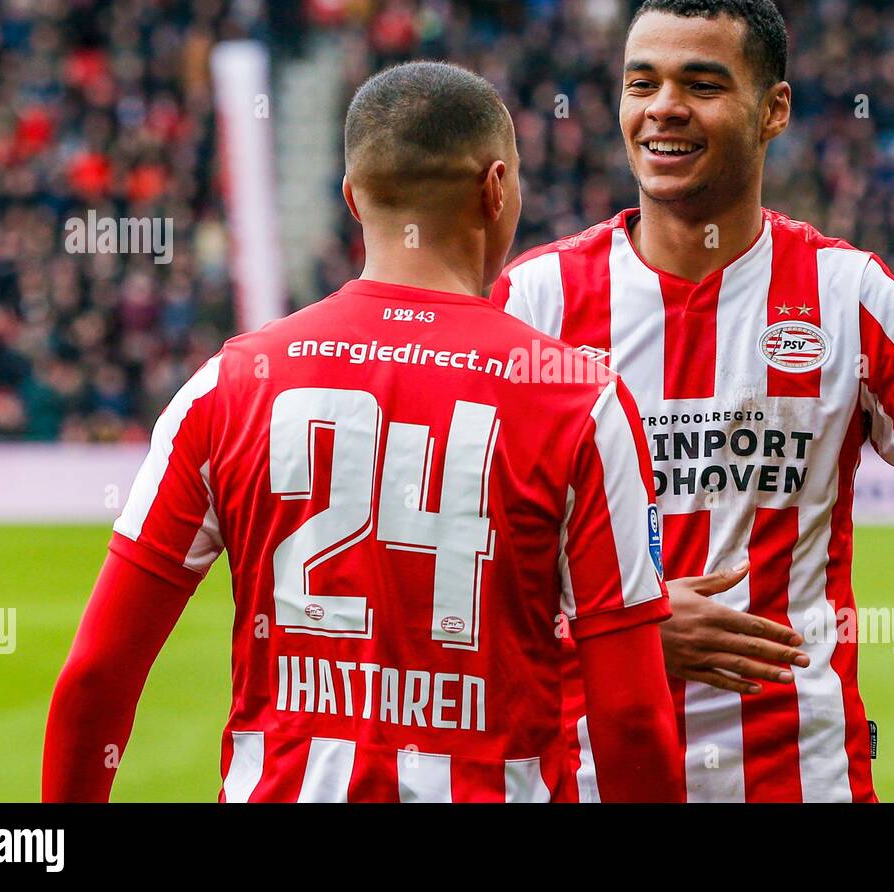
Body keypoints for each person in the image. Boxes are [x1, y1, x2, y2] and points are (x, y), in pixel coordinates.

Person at [493, 0, 894, 802]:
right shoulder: (534, 304)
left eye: (702, 84)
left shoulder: (854, 298)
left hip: (799, 778)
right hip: (578, 779)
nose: (662, 107)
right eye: (641, 83)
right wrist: (623, 630)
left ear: (775, 111)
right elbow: (460, 582)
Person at [44, 61, 683, 803]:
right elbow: (632, 717)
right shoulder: (581, 398)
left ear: (352, 198)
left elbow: (96, 674)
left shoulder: (227, 385)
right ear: (496, 188)